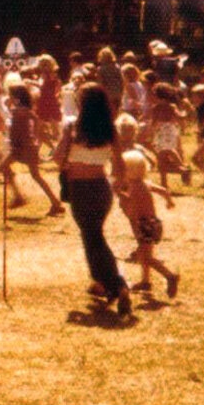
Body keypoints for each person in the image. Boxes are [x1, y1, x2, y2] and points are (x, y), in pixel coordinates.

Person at [57, 82, 132, 318]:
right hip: (101, 187)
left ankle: (118, 285)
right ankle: (103, 284)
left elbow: (59, 158)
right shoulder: (110, 129)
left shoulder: (73, 127)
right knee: (92, 236)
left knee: (93, 238)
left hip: (80, 188)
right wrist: (120, 185)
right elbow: (120, 164)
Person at [117, 151, 179, 298]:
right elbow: (163, 190)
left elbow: (130, 203)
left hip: (145, 225)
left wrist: (119, 194)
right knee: (146, 254)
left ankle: (170, 276)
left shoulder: (134, 187)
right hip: (152, 223)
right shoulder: (145, 183)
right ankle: (145, 281)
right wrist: (169, 200)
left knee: (146, 258)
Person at [0, 84, 65, 216]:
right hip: (25, 146)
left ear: (16, 97)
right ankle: (52, 202)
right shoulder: (26, 110)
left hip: (21, 147)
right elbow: (37, 123)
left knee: (31, 174)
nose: (9, 97)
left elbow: (28, 124)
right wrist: (35, 137)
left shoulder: (19, 111)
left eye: (11, 95)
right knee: (32, 175)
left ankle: (21, 197)